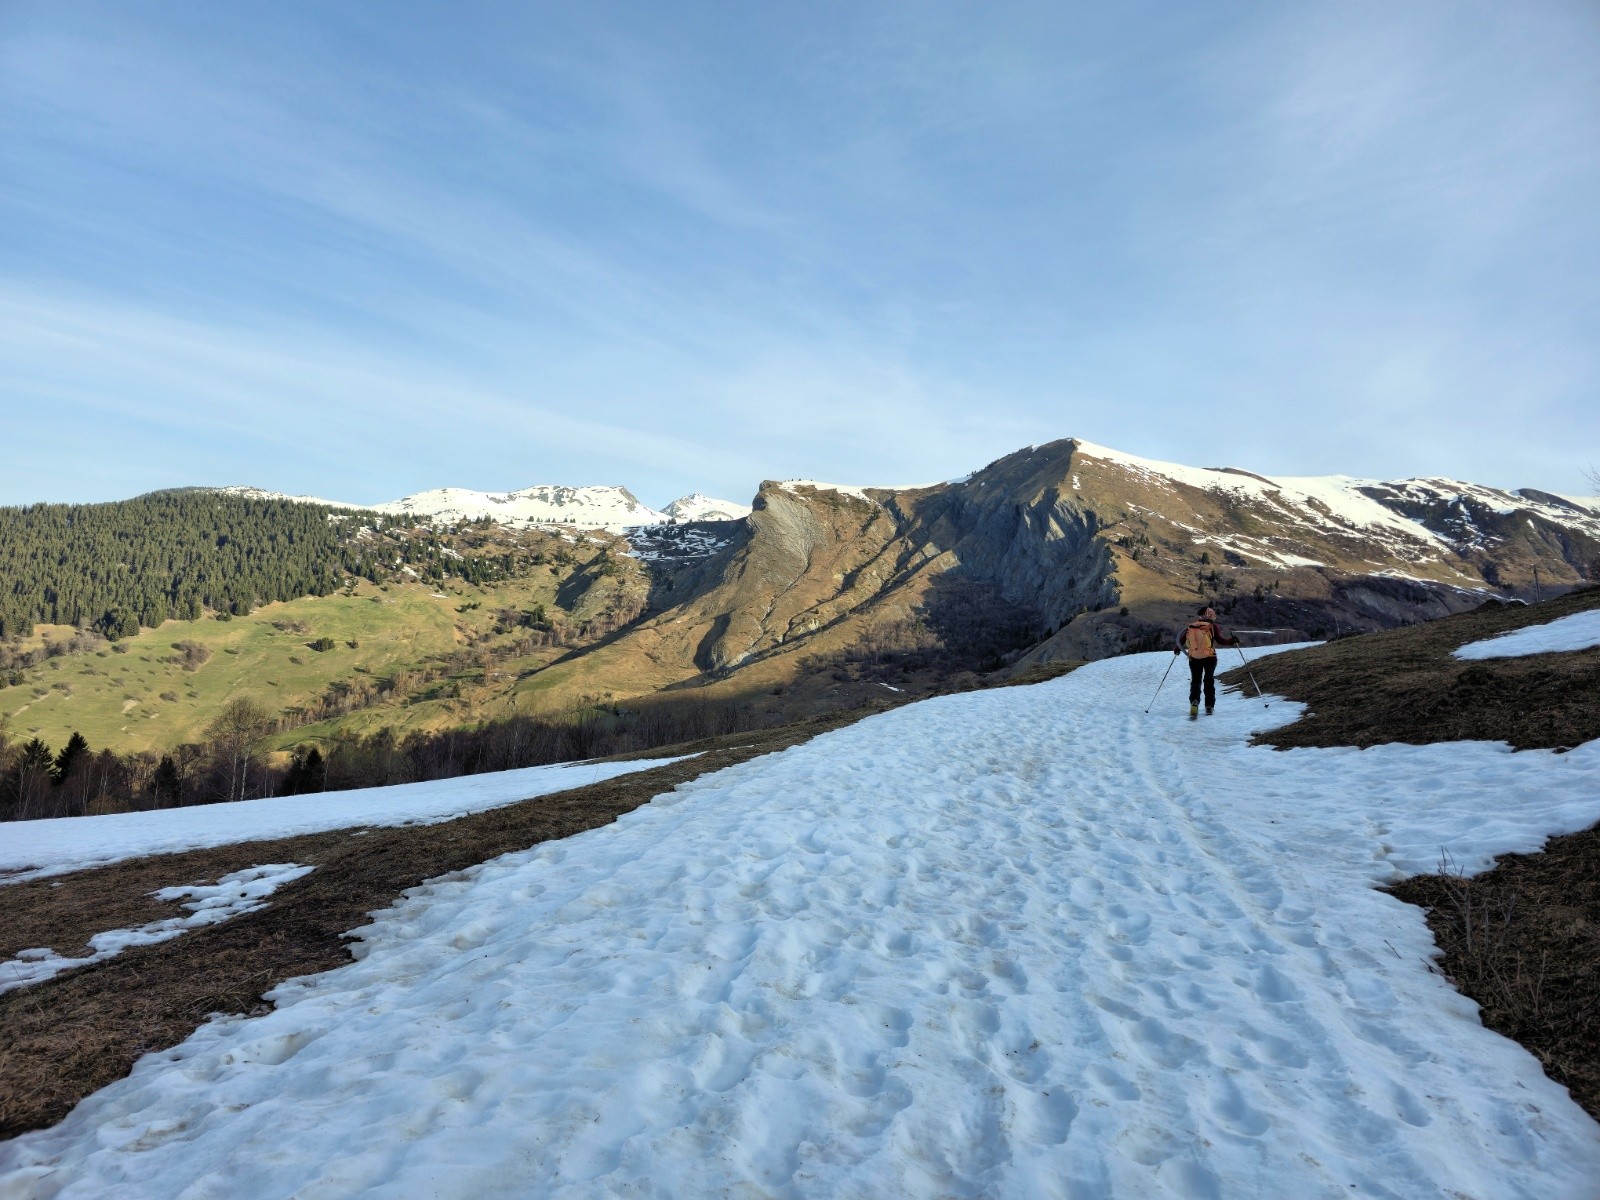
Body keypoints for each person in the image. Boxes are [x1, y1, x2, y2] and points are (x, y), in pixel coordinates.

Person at [1174, 605, 1239, 718]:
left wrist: (1177, 650)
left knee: (1196, 681)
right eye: (1212, 612)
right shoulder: (1213, 626)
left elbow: (1181, 640)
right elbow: (1221, 640)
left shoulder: (1192, 626)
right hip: (1210, 658)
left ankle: (1194, 702)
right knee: (1209, 681)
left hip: (1194, 658)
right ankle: (1209, 706)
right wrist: (1232, 641)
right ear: (1208, 614)